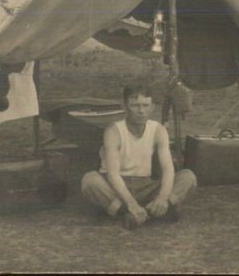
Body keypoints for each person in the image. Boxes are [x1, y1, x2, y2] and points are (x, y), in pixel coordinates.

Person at [81, 85, 197, 228]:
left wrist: (162, 197)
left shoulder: (158, 130)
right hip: (118, 186)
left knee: (188, 177)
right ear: (124, 107)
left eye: (145, 105)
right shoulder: (113, 131)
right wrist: (131, 204)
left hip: (146, 185)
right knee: (90, 180)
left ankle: (150, 211)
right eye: (135, 106)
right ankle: (132, 212)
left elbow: (168, 169)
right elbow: (112, 174)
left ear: (152, 107)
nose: (141, 111)